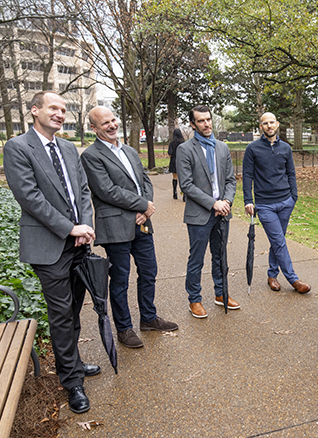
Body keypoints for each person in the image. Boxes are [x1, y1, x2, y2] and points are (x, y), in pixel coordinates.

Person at [3, 91, 98, 414]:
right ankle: (72, 382)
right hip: (49, 247)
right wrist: (69, 228)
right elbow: (29, 198)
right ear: (35, 111)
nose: (60, 114)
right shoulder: (18, 148)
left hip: (78, 244)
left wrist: (84, 225)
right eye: (53, 108)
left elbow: (83, 191)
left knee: (73, 310)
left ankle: (70, 362)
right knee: (60, 313)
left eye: (64, 109)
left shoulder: (69, 148)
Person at [81, 106, 178, 349]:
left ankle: (148, 318)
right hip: (115, 226)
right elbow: (106, 190)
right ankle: (124, 328)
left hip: (142, 222)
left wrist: (146, 208)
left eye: (113, 120)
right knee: (120, 279)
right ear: (94, 128)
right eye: (105, 123)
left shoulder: (131, 151)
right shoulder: (91, 156)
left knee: (149, 271)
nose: (112, 125)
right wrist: (142, 204)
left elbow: (144, 180)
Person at [177, 105, 239, 319]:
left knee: (220, 256)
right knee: (197, 259)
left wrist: (227, 201)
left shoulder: (222, 148)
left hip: (222, 213)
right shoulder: (185, 149)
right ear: (193, 124)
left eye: (209, 119)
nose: (207, 124)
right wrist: (213, 203)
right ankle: (194, 299)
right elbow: (186, 184)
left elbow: (231, 180)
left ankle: (221, 294)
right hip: (199, 215)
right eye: (201, 121)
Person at [243, 112, 311, 294]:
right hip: (265, 205)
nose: (269, 126)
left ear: (277, 124)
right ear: (261, 127)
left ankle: (272, 274)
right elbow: (247, 176)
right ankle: (293, 280)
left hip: (285, 202)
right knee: (279, 241)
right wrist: (248, 200)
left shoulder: (286, 148)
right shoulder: (252, 149)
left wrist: (293, 196)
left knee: (277, 239)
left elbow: (291, 173)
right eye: (265, 123)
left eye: (272, 122)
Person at [168, 128, 184, 199]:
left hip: (174, 160)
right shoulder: (183, 143)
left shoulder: (172, 143)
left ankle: (174, 192)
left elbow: (170, 153)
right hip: (182, 160)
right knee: (183, 178)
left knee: (175, 177)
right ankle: (184, 193)